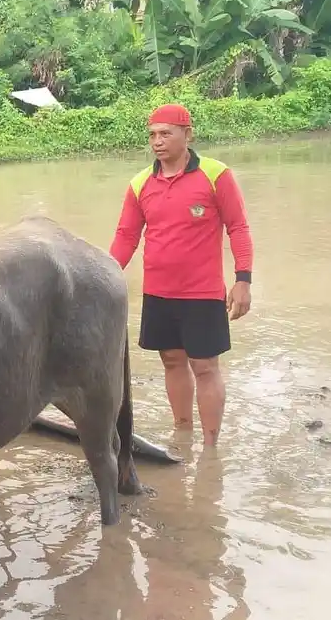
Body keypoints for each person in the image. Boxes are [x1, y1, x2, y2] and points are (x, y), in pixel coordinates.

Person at [110, 103, 254, 447]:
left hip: (202, 293)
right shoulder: (140, 183)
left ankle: (210, 447)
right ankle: (182, 432)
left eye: (165, 134)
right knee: (172, 361)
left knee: (205, 366)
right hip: (159, 293)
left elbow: (238, 227)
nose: (157, 142)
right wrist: (104, 276)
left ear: (187, 135)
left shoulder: (216, 175)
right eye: (152, 135)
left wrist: (243, 280)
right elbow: (127, 236)